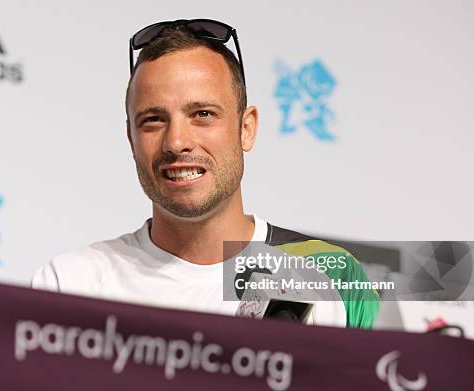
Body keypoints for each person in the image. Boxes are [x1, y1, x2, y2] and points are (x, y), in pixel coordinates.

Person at [32, 19, 379, 328]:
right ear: (131, 138)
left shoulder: (332, 276)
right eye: (153, 120)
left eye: (202, 114)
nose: (177, 142)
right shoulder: (69, 285)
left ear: (247, 128)